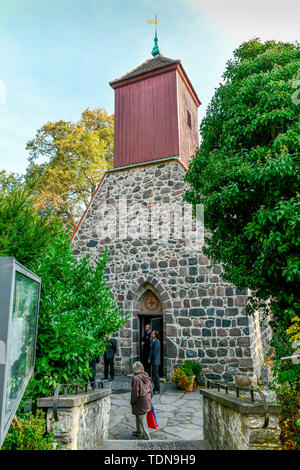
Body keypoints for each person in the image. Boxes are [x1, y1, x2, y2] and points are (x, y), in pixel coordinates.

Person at [130, 361, 153, 440]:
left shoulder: (136, 378)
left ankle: (146, 435)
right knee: (138, 415)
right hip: (147, 398)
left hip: (140, 400)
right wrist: (150, 397)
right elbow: (150, 387)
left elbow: (134, 392)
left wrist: (132, 401)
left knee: (142, 418)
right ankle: (139, 431)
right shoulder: (146, 375)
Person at [148, 330, 161, 395]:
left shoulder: (157, 342)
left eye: (152, 333)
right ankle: (155, 387)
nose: (151, 334)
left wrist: (150, 358)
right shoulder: (153, 341)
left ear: (155, 335)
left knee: (156, 376)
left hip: (155, 361)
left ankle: (158, 389)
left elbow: (154, 352)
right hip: (153, 360)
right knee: (154, 375)